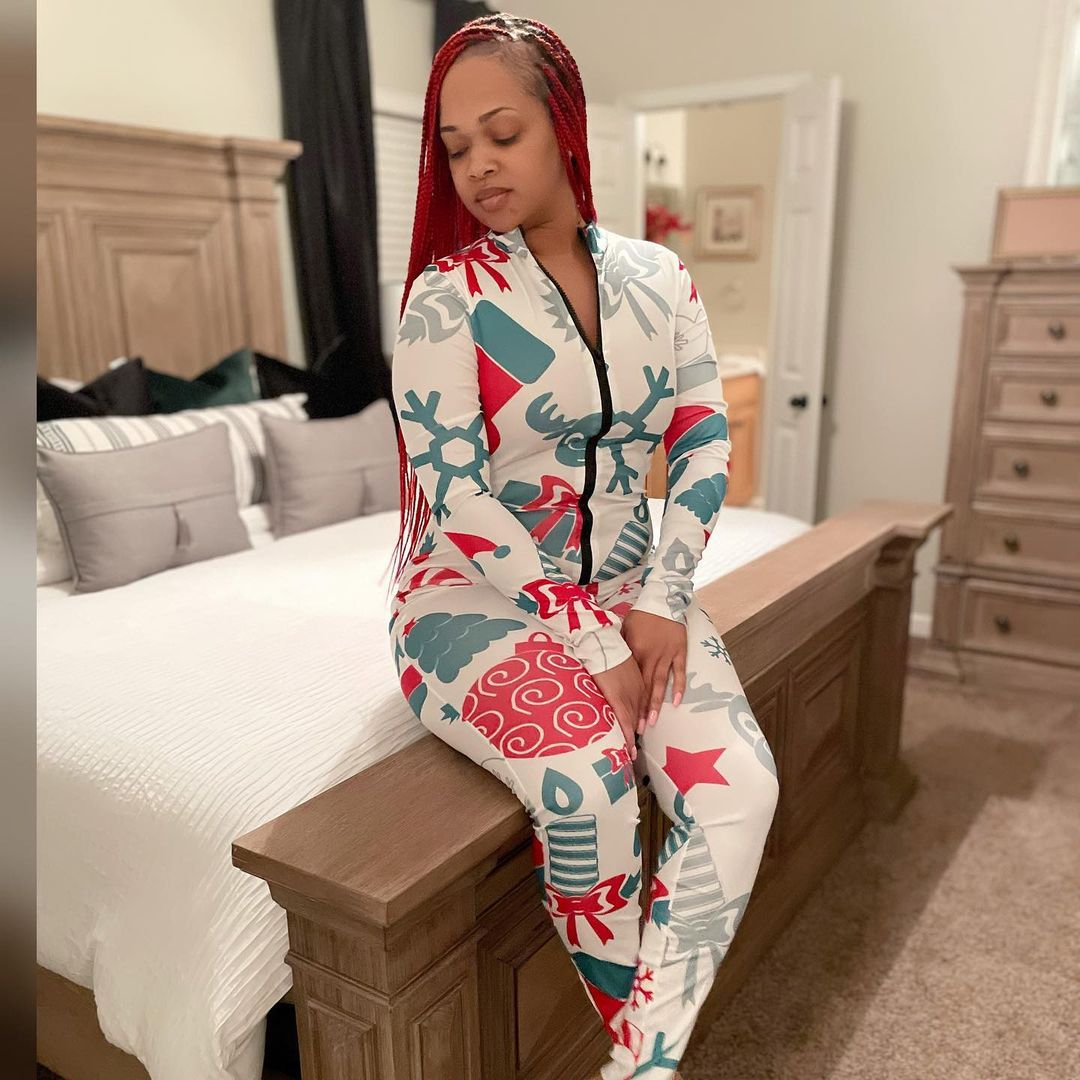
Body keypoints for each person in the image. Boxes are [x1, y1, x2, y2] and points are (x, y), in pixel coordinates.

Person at [383, 14, 780, 1080]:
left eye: (502, 133)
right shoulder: (446, 301)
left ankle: (642, 1059)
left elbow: (701, 438)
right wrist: (588, 640)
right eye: (456, 147)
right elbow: (455, 493)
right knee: (590, 785)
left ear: (563, 126)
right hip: (471, 599)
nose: (478, 165)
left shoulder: (661, 278)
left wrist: (662, 596)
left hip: (632, 588)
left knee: (740, 790)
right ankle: (646, 1063)